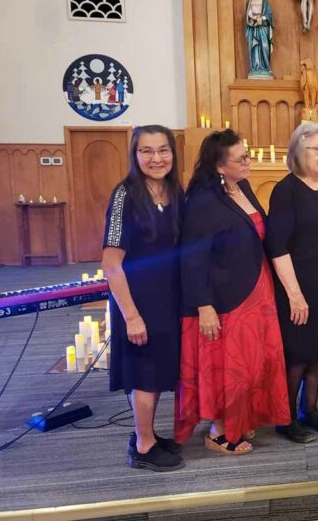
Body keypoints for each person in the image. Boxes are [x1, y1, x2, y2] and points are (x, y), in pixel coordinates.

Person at [175, 129, 289, 455]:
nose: (248, 162)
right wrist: (204, 305)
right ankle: (220, 431)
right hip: (227, 297)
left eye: (247, 155)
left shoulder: (243, 187)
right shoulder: (202, 202)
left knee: (254, 363)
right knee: (230, 367)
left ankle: (243, 418)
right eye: (241, 159)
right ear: (219, 166)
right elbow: (192, 258)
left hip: (257, 288)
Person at [102, 125, 184, 471]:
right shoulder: (125, 195)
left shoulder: (174, 191)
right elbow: (111, 264)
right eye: (146, 151)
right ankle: (143, 446)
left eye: (163, 150)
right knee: (144, 372)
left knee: (159, 369)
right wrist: (132, 316)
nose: (156, 158)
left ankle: (145, 432)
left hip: (167, 298)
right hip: (137, 299)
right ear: (135, 155)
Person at [266, 123, 318, 443]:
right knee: (297, 354)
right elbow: (277, 246)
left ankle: (309, 409)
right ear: (300, 151)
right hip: (296, 284)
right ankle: (284, 418)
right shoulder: (286, 190)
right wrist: (295, 294)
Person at [245, 0, 274, 77]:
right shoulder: (250, 2)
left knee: (265, 46)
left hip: (263, 26)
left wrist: (262, 18)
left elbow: (269, 13)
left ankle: (266, 67)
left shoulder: (264, 1)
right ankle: (256, 67)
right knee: (255, 47)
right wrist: (255, 18)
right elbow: (248, 14)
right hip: (254, 27)